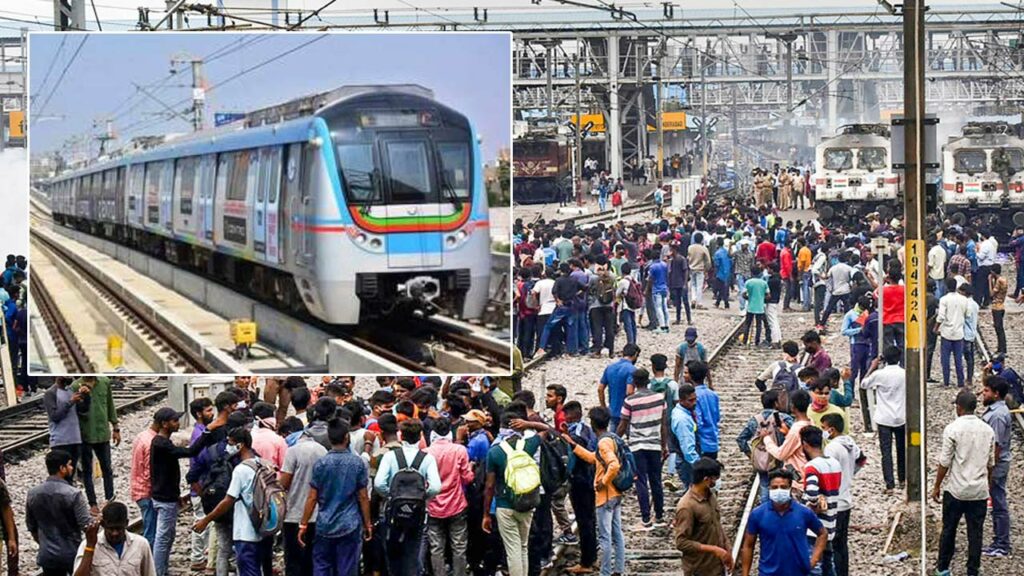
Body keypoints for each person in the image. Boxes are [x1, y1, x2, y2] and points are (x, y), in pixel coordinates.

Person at [194, 427, 275, 576]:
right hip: (263, 527)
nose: (227, 447)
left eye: (231, 443)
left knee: (248, 571)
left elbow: (227, 500)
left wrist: (206, 520)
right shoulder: (263, 464)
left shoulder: (241, 470)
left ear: (240, 445)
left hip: (245, 532)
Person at [298, 418, 372, 576]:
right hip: (350, 523)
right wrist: (368, 523)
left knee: (322, 565)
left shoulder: (321, 464)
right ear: (347, 437)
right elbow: (363, 497)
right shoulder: (357, 463)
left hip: (325, 523)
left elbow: (312, 497)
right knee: (347, 567)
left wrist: (303, 523)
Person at [932, 390, 994, 576]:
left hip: (956, 490)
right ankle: (972, 569)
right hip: (979, 491)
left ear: (959, 408)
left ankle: (943, 568)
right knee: (975, 533)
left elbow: (944, 462)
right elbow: (990, 464)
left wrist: (937, 486)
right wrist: (987, 485)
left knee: (949, 529)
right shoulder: (987, 430)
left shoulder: (952, 429)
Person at [150, 407, 217, 576]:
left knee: (167, 536)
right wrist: (207, 432)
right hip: (164, 498)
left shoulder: (161, 442)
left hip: (166, 496)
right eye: (174, 420)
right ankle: (159, 572)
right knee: (164, 538)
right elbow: (190, 451)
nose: (177, 423)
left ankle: (162, 570)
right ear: (165, 424)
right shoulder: (161, 443)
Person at [559, 407, 625, 576]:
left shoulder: (603, 442)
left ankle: (605, 571)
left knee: (605, 536)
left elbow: (614, 465)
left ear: (593, 423)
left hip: (606, 495)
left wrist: (603, 482)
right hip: (616, 492)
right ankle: (618, 569)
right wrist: (573, 444)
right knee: (616, 533)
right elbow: (593, 458)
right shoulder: (612, 438)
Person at [483, 403, 542, 576]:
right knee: (523, 546)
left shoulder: (494, 452)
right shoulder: (529, 445)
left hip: (504, 505)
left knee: (513, 550)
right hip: (528, 501)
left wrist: (486, 513)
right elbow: (548, 430)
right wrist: (529, 424)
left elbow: (489, 486)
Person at [740, 469, 827, 576]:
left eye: (783, 487)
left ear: (790, 488)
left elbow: (822, 534)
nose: (779, 490)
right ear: (769, 488)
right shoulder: (758, 514)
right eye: (775, 487)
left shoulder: (804, 512)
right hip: (768, 573)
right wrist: (745, 573)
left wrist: (814, 560)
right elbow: (748, 545)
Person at [279, 407, 329, 576]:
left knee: (294, 561)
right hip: (318, 514)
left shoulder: (292, 451)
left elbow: (283, 483)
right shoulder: (322, 450)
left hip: (294, 514)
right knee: (314, 560)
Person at [26, 450, 93, 576]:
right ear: (62, 468)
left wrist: (44, 543)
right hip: (71, 553)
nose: (72, 468)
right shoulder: (74, 494)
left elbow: (32, 526)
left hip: (47, 555)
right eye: (69, 465)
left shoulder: (33, 493)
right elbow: (87, 525)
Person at [616, 368, 667, 529]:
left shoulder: (630, 401)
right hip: (655, 444)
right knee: (656, 480)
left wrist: (614, 440)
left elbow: (623, 424)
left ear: (635, 382)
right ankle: (659, 515)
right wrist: (664, 445)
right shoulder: (660, 398)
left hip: (637, 446)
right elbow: (664, 425)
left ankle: (646, 518)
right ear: (648, 380)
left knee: (641, 481)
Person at [425, 417, 475, 576]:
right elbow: (467, 478)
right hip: (456, 504)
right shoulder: (459, 450)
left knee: (436, 547)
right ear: (449, 432)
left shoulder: (425, 453)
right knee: (459, 545)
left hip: (433, 505)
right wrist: (472, 468)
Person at [672, 457, 731, 576]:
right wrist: (714, 549)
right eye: (715, 478)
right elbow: (681, 542)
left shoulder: (711, 495)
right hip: (699, 569)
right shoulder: (686, 506)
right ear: (706, 479)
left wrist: (727, 548)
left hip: (716, 567)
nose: (717, 482)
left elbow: (717, 525)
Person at [860, 346, 906, 493]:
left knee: (886, 452)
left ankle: (890, 484)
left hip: (884, 418)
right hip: (900, 416)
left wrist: (872, 367)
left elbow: (864, 384)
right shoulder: (904, 374)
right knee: (901, 449)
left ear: (883, 359)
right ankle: (902, 479)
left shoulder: (880, 374)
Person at [71, 376, 120, 514]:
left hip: (103, 433)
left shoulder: (104, 382)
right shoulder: (76, 386)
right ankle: (92, 503)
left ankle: (109, 499)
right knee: (87, 471)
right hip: (85, 434)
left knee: (107, 468)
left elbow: (110, 404)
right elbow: (78, 411)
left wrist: (116, 427)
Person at [736, 389, 794, 501]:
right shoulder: (784, 418)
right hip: (779, 459)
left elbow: (741, 439)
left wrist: (751, 455)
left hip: (761, 461)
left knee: (764, 486)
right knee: (783, 487)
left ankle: (765, 510)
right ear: (776, 403)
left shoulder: (754, 420)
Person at [800, 426, 841, 576]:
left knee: (814, 566)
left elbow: (812, 493)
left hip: (814, 527)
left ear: (805, 444)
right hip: (831, 523)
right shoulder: (834, 463)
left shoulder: (812, 466)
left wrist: (811, 504)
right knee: (829, 565)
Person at [73, 501, 156, 576]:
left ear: (126, 523)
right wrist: (90, 547)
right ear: (102, 524)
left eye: (119, 528)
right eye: (111, 529)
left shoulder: (141, 544)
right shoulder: (88, 545)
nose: (115, 533)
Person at [563, 401, 598, 574]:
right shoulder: (586, 429)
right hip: (590, 479)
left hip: (580, 481)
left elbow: (572, 460)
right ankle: (592, 556)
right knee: (590, 519)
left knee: (584, 521)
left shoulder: (574, 435)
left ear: (570, 415)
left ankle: (586, 562)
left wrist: (565, 476)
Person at [980, 376, 1012, 558]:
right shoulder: (996, 410)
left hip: (997, 466)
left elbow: (996, 446)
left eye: (986, 391)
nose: (983, 394)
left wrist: (990, 470)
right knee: (997, 500)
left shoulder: (998, 415)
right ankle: (999, 541)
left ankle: (1002, 543)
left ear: (996, 393)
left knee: (999, 502)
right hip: (997, 464)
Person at [187, 397, 215, 573]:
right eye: (209, 411)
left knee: (204, 522)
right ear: (199, 413)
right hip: (201, 486)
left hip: (202, 485)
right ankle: (197, 558)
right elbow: (205, 461)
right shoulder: (200, 435)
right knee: (201, 522)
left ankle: (200, 556)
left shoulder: (201, 431)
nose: (212, 414)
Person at [765, 389, 813, 484]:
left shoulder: (796, 429)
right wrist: (787, 433)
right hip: (808, 472)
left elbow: (781, 454)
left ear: (792, 406)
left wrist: (766, 439)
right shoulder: (811, 423)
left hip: (798, 477)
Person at [44, 376, 86, 484]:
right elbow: (54, 416)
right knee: (61, 477)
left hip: (75, 439)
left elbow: (83, 411)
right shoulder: (51, 393)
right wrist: (70, 402)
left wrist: (86, 397)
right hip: (60, 441)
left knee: (70, 475)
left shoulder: (71, 390)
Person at [130, 415, 161, 548]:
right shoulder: (152, 442)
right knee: (151, 532)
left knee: (149, 527)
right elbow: (150, 471)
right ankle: (149, 564)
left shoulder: (142, 435)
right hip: (147, 492)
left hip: (138, 488)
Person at [598, 343, 639, 431]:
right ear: (635, 355)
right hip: (626, 412)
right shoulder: (632, 369)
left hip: (612, 410)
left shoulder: (610, 367)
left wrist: (603, 406)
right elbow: (629, 392)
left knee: (613, 437)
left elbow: (600, 389)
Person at [936, 277, 969, 387]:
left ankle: (946, 381)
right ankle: (960, 381)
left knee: (945, 359)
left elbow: (941, 316)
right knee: (958, 359)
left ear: (946, 286)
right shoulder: (964, 299)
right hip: (959, 333)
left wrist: (936, 328)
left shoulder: (944, 300)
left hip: (946, 333)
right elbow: (967, 315)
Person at [671, 384, 701, 491]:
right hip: (687, 463)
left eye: (695, 399)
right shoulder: (682, 419)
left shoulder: (685, 412)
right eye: (690, 400)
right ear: (681, 400)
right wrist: (700, 466)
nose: (694, 403)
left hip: (686, 461)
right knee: (694, 491)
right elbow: (687, 449)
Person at [689, 361, 720, 460]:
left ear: (690, 376)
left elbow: (698, 422)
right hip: (713, 441)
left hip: (701, 443)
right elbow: (717, 417)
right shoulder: (713, 394)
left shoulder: (694, 396)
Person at [740, 264, 769, 347]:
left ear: (751, 273)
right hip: (760, 307)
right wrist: (761, 298)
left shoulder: (748, 282)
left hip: (750, 307)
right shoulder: (763, 283)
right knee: (759, 325)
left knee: (747, 324)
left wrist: (749, 298)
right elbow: (768, 295)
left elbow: (744, 294)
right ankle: (757, 341)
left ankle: (745, 340)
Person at [959, 283, 980, 386]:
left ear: (964, 293)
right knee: (970, 358)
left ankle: (964, 378)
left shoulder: (965, 304)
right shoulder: (975, 304)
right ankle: (969, 377)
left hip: (964, 333)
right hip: (972, 333)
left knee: (964, 357)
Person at [688, 233, 712, 309]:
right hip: (700, 268)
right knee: (699, 286)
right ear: (702, 239)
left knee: (693, 285)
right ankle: (699, 302)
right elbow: (708, 261)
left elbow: (688, 257)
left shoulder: (690, 247)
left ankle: (693, 299)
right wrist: (707, 269)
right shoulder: (704, 248)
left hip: (692, 268)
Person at [988, 263, 1008, 355]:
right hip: (1002, 305)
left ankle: (1002, 349)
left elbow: (992, 294)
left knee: (998, 328)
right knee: (999, 328)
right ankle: (1002, 348)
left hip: (997, 306)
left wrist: (989, 281)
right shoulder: (1004, 279)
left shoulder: (999, 281)